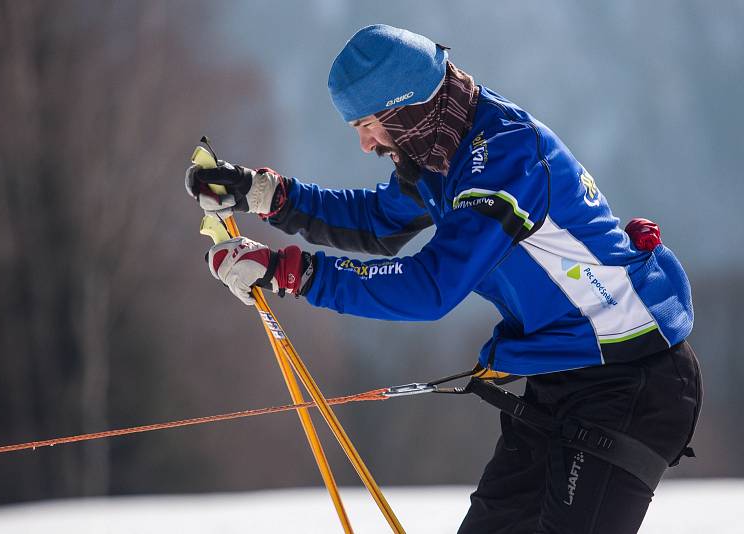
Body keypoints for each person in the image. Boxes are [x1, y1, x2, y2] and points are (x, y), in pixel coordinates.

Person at [185, 24, 702, 534]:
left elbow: (431, 287)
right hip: (562, 373)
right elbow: (377, 223)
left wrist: (293, 273)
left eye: (369, 124)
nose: (366, 145)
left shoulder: (504, 159)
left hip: (633, 375)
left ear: (405, 109)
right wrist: (268, 196)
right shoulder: (441, 149)